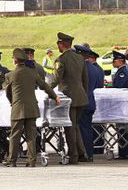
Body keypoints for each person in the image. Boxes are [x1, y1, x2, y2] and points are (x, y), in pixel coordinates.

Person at [4, 48, 60, 167]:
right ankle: (31, 160)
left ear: (15, 60)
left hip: (18, 108)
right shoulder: (33, 73)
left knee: (15, 135)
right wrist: (55, 96)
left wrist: (12, 102)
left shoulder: (10, 75)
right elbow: (44, 86)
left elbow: (8, 93)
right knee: (31, 136)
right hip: (32, 108)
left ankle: (12, 160)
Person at [53, 32, 88, 165]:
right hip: (81, 97)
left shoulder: (61, 59)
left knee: (70, 128)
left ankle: (73, 156)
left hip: (69, 98)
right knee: (75, 126)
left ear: (61, 45)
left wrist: (46, 89)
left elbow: (56, 80)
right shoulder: (80, 58)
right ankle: (81, 153)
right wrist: (82, 93)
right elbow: (85, 80)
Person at [75, 45, 104, 162]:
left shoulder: (80, 68)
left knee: (81, 129)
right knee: (87, 128)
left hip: (82, 102)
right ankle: (89, 153)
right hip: (91, 101)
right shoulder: (96, 69)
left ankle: (84, 153)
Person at [111, 50, 128, 159]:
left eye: (114, 60)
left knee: (123, 129)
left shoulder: (122, 73)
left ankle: (124, 152)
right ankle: (124, 150)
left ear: (120, 61)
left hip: (122, 105)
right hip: (123, 105)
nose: (113, 62)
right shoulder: (121, 72)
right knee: (122, 129)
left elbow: (119, 88)